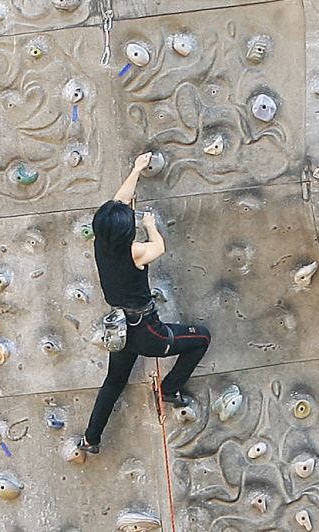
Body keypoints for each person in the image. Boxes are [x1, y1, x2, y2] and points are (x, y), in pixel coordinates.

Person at [79, 152, 211, 454]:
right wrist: (150, 224)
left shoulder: (101, 241)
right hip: (147, 332)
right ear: (127, 232)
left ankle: (90, 439)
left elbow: (118, 204)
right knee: (202, 337)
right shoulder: (135, 252)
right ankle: (169, 389)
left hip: (120, 329)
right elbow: (159, 248)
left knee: (113, 383)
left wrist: (136, 169)